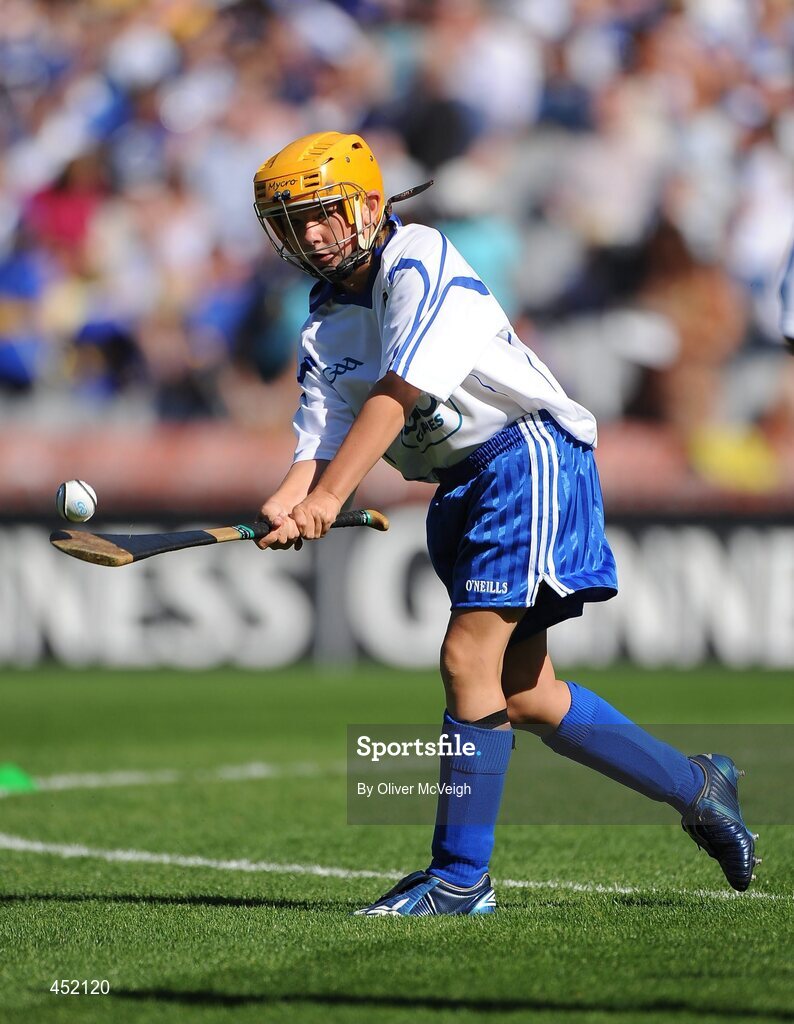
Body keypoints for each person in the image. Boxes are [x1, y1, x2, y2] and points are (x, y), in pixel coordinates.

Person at [252, 131, 758, 915]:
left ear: (369, 204)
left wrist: (328, 500)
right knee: (524, 692)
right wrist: (290, 497)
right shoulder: (322, 321)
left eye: (321, 214)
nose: (310, 235)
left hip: (524, 457)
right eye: (292, 223)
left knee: (466, 657)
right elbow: (317, 440)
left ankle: (459, 880)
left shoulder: (419, 258)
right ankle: (698, 787)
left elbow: (397, 393)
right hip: (459, 483)